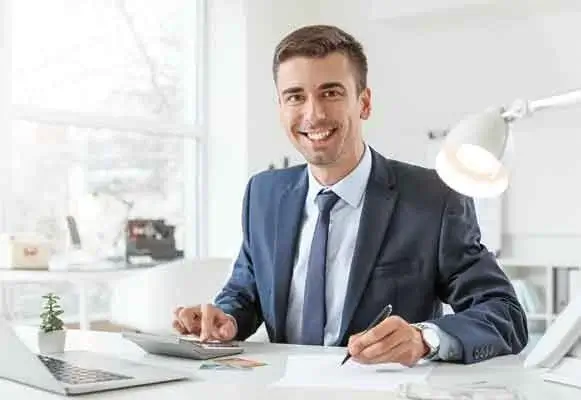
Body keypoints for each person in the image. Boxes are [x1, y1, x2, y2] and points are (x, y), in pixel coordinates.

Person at [173, 24, 528, 366]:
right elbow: (246, 292)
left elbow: (504, 313)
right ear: (281, 108)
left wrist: (425, 339)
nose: (313, 114)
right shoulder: (263, 194)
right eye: (295, 97)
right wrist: (226, 319)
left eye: (331, 92)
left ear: (365, 103)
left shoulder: (434, 198)